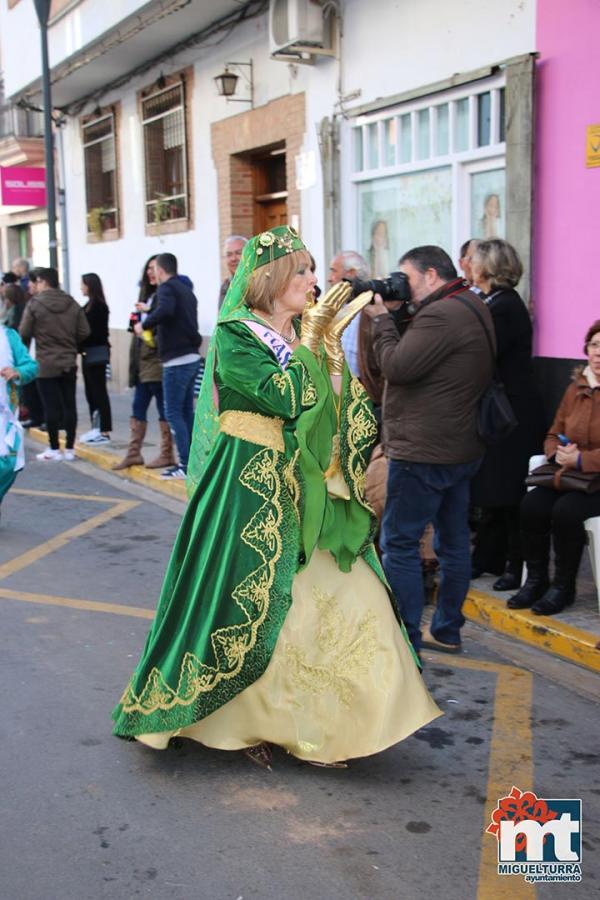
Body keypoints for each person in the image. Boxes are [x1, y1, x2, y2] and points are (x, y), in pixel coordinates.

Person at [112, 225, 440, 766]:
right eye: (304, 271)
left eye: (315, 271)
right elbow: (284, 398)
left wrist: (331, 350)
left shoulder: (300, 331)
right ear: (273, 278)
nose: (314, 282)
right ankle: (246, 718)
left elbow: (335, 413)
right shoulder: (237, 334)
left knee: (340, 594)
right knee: (246, 600)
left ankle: (336, 723)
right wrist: (313, 339)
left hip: (305, 481)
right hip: (247, 482)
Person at [365, 246, 494, 655]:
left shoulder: (441, 315)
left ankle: (406, 639)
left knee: (400, 543)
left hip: (423, 452)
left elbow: (398, 366)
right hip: (459, 447)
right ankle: (447, 629)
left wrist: (383, 319)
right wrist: (402, 309)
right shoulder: (469, 303)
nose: (402, 284)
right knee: (453, 542)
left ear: (433, 275)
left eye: (408, 278)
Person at [508, 320, 600, 615]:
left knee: (566, 512)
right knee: (532, 505)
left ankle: (564, 587)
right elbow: (552, 432)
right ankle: (536, 580)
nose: (599, 353)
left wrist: (582, 460)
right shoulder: (575, 388)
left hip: (595, 480)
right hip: (569, 475)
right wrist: (556, 453)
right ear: (586, 350)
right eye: (595, 345)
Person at [469, 239, 544, 589]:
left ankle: (514, 565)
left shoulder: (504, 307)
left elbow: (482, 353)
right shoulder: (494, 303)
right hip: (503, 410)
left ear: (488, 268)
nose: (469, 265)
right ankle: (491, 557)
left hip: (512, 413)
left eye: (475, 260)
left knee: (511, 491)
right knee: (496, 489)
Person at [134, 253, 201, 479]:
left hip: (176, 360)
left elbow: (166, 310)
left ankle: (184, 464)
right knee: (186, 412)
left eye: (155, 269)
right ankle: (194, 460)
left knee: (173, 412)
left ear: (161, 271)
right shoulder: (185, 289)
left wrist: (145, 324)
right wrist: (149, 311)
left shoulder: (165, 289)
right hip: (191, 357)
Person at [19, 267, 90, 461]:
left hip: (45, 362)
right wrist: (70, 343)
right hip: (68, 361)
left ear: (42, 281)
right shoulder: (72, 303)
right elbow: (84, 331)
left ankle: (53, 447)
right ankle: (69, 448)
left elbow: (24, 332)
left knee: (51, 407)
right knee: (69, 405)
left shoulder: (35, 304)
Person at [112, 256, 174, 471]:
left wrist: (145, 335)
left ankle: (167, 454)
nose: (150, 272)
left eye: (153, 268)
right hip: (141, 364)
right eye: (147, 268)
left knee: (162, 408)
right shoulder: (147, 296)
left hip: (156, 363)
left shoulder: (164, 296)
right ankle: (134, 453)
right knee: (138, 407)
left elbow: (160, 331)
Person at [1, 295, 38, 520]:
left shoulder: (8, 337)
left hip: (4, 418)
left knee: (8, 466)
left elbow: (30, 366)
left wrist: (17, 372)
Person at [79, 273, 112, 445]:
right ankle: (96, 426)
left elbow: (95, 332)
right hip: (87, 352)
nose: (81, 288)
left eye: (83, 284)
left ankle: (104, 429)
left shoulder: (98, 306)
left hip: (96, 353)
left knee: (99, 391)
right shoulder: (88, 306)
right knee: (91, 392)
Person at [328, 250, 371, 377]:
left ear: (351, 273)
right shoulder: (334, 308)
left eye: (334, 271)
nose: (329, 278)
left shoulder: (372, 311)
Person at [218, 235, 248, 309]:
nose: (233, 258)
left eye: (238, 253)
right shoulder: (226, 286)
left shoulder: (260, 284)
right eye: (229, 254)